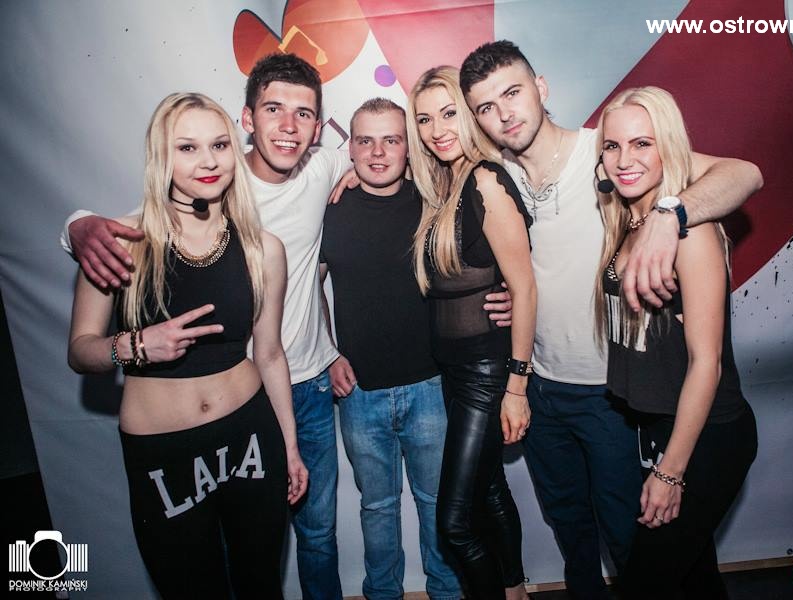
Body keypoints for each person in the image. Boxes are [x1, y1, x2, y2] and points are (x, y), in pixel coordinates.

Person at [460, 41, 763, 598]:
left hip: (611, 396)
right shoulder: (497, 178)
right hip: (547, 389)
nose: (504, 114)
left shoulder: (604, 150)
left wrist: (672, 215)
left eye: (513, 93)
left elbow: (742, 174)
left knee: (639, 549)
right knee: (577, 534)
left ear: (540, 88)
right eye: (486, 107)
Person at [62, 54, 351, 599]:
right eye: (187, 147)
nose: (208, 160)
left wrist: (289, 447)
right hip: (162, 450)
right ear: (161, 154)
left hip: (251, 436)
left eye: (218, 146)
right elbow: (81, 351)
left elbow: (269, 353)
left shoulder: (262, 247)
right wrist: (135, 346)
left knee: (261, 584)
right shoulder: (119, 242)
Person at [595, 86, 757, 599]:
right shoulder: (627, 218)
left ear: (668, 146)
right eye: (613, 146)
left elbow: (707, 363)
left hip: (708, 436)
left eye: (642, 143)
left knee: (646, 584)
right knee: (693, 579)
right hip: (657, 425)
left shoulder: (692, 233)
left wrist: (670, 473)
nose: (625, 160)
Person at [318, 98, 461, 600]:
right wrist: (328, 351)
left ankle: (447, 593)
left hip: (431, 385)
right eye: (365, 140)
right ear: (350, 147)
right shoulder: (329, 210)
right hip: (360, 391)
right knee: (377, 509)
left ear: (408, 147)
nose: (378, 153)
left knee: (437, 504)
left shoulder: (435, 202)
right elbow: (308, 288)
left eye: (391, 140)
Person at [407, 66, 536, 600]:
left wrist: (516, 387)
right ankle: (515, 589)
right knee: (490, 490)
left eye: (448, 113)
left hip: (487, 372)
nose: (437, 129)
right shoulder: (443, 185)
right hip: (456, 371)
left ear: (468, 114)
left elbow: (524, 288)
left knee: (454, 523)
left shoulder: (485, 180)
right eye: (424, 120)